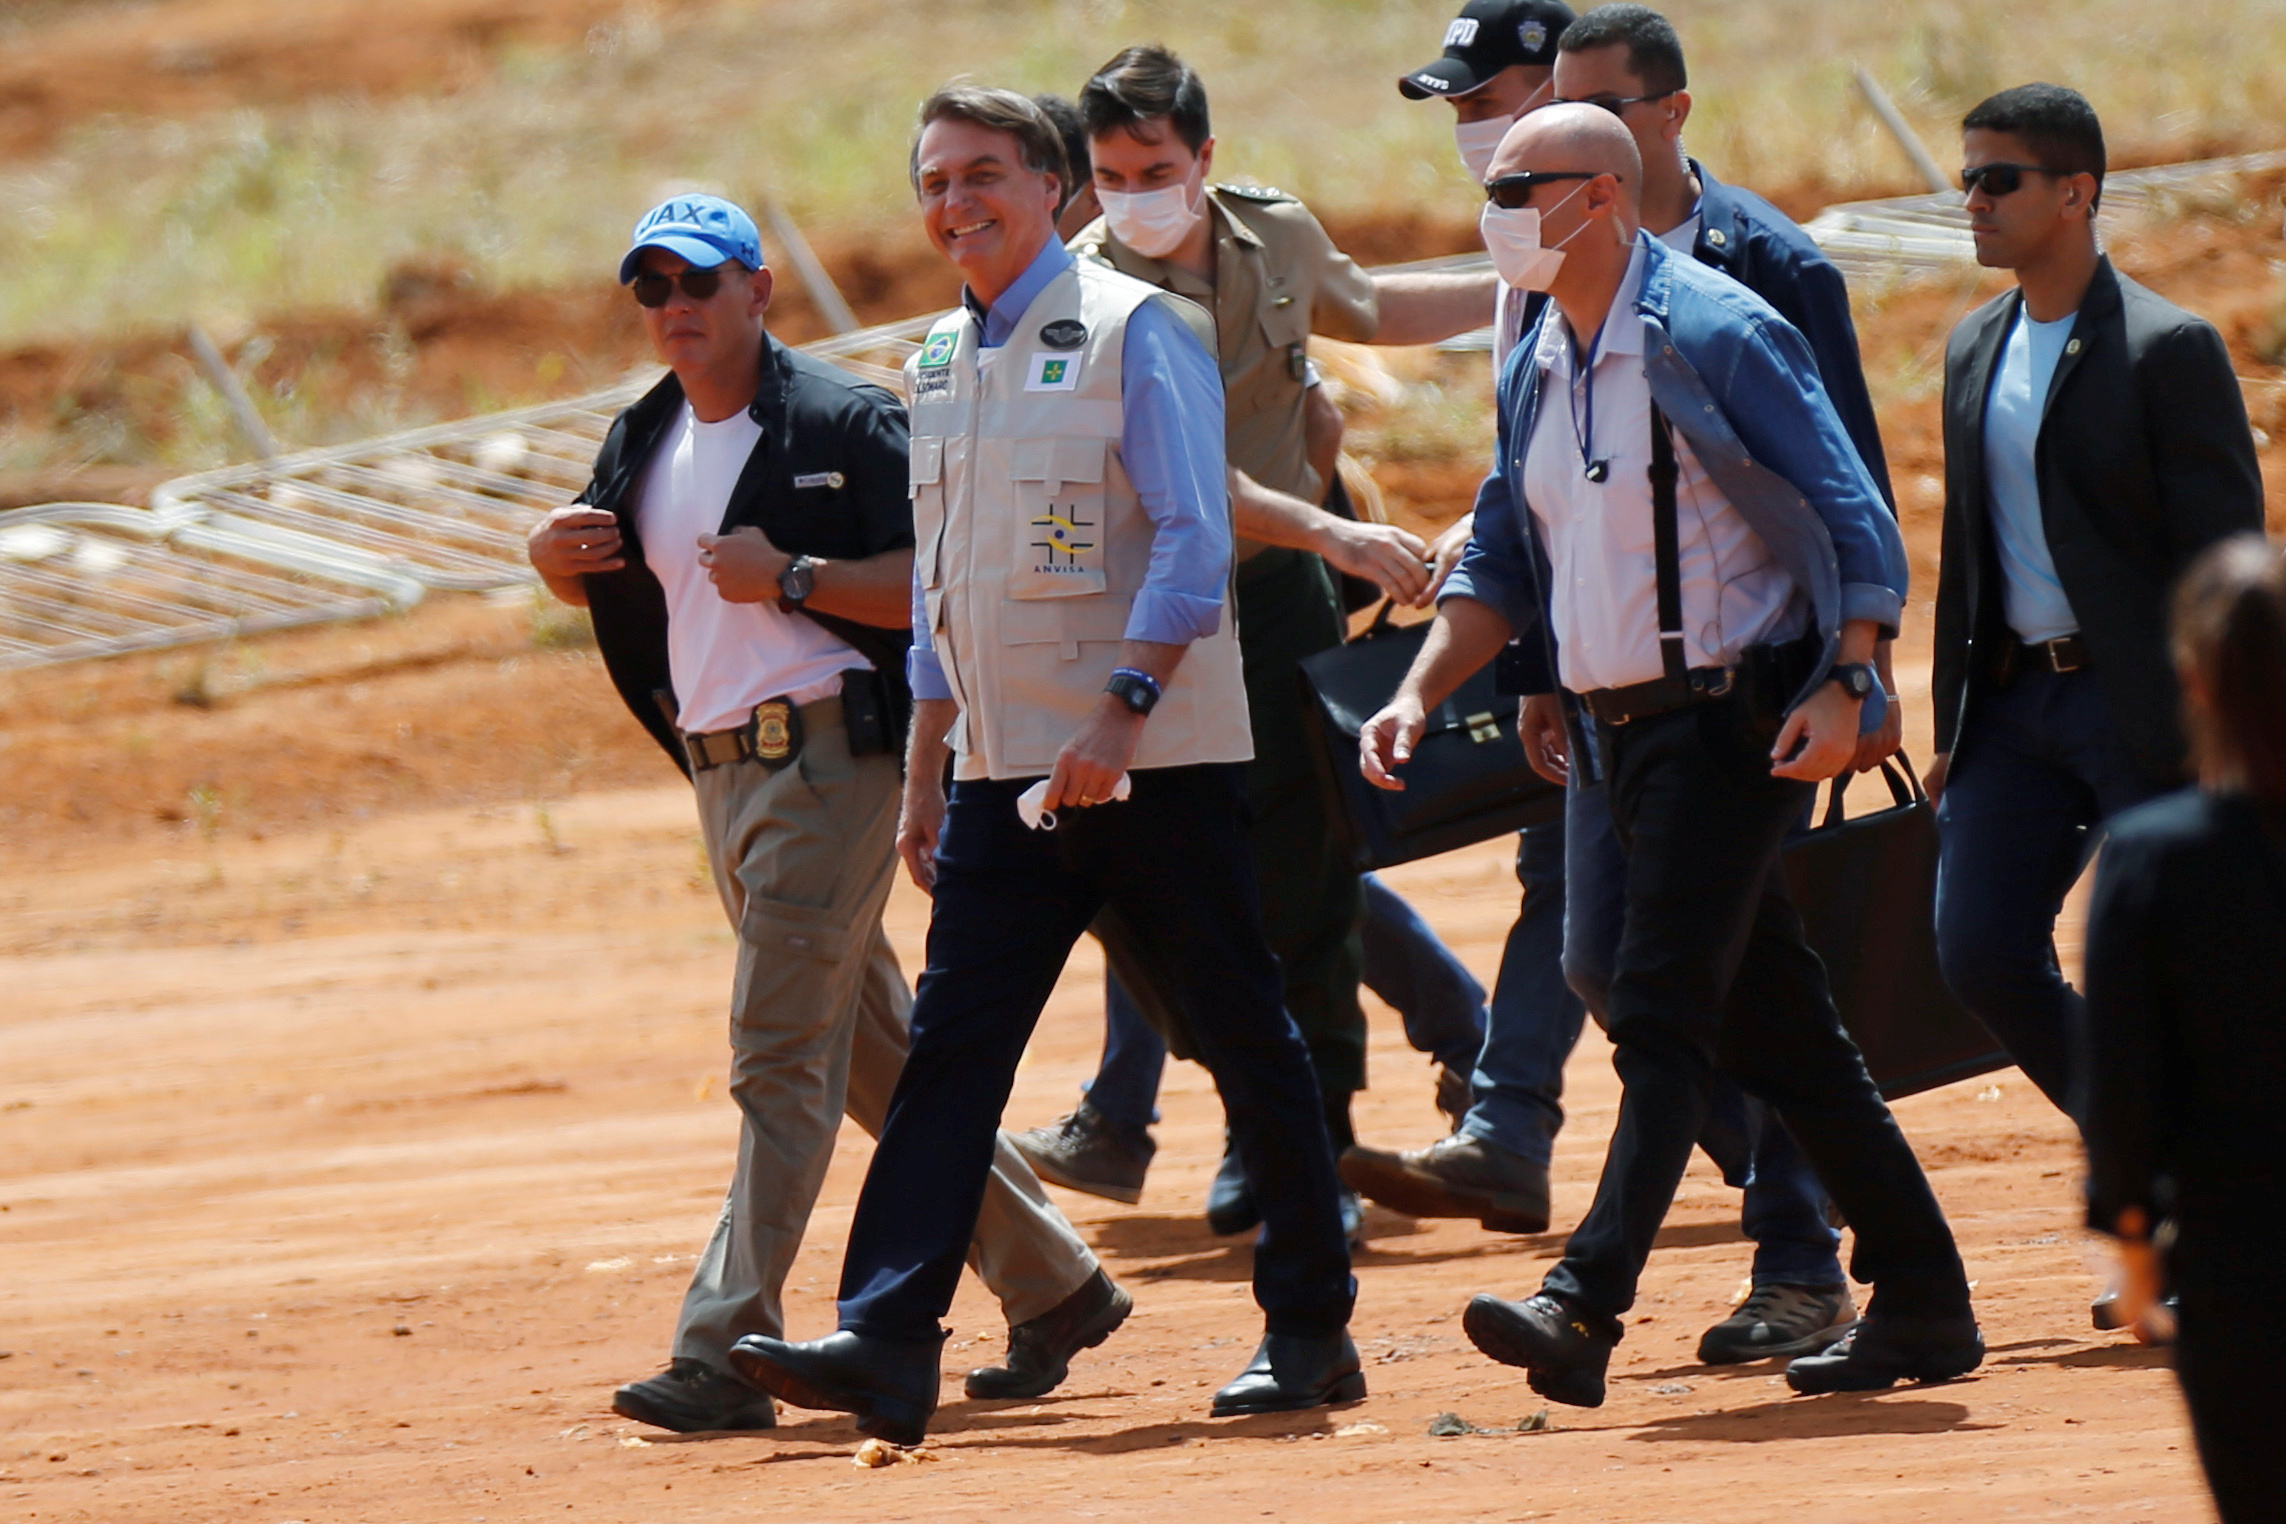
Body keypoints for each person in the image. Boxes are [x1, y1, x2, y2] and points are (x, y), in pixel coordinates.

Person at [726, 87, 1361, 1444]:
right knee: (955, 1057)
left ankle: (1308, 1330)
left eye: (985, 176)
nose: (955, 203)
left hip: (1152, 764)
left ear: (1056, 188)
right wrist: (923, 770)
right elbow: (950, 591)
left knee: (1244, 1037)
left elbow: (1195, 542)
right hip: (1002, 778)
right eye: (935, 181)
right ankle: (888, 1339)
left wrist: (1122, 712)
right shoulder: (940, 365)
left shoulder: (1143, 333)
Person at [1360, 104, 1981, 1407]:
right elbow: (1502, 555)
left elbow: (1851, 511)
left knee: (1653, 1014)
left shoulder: (1712, 329)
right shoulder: (1535, 352)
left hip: (1722, 722)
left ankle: (1584, 1305)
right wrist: (1420, 692)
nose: (1493, 208)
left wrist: (1852, 672)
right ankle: (1922, 1296)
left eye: (1518, 187)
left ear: (1595, 196)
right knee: (1784, 1034)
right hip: (1608, 736)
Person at [525, 194, 1122, 1434]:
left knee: (775, 1059)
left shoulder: (844, 425)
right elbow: (645, 602)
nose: (675, 309)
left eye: (697, 284)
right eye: (651, 291)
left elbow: (947, 583)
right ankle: (1052, 1281)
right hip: (722, 776)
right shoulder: (641, 439)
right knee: (868, 1055)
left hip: (829, 769)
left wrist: (795, 578)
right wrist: (553, 560)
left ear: (759, 291)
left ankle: (718, 1343)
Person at [1007, 44, 1499, 1237]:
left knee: (1311, 876)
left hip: (1279, 605)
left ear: (1205, 158)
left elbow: (1371, 311)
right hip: (1153, 619)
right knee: (1168, 888)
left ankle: (1311, 1144)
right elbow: (1189, 479)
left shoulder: (1272, 237)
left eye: (1156, 167)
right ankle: (1252, 1111)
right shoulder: (1072, 304)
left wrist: (1525, 279)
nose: (1134, 193)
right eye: (1112, 174)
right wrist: (1331, 524)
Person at [1931, 83, 2264, 1152]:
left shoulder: (2170, 348)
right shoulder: (1972, 347)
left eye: (1998, 179)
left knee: (2174, 961)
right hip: (2014, 711)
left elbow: (2221, 564)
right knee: (1979, 951)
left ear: (2076, 192)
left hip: (2140, 710)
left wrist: (2233, 728)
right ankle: (2155, 1161)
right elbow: (1965, 555)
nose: (1972, 199)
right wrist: (1953, 727)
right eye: (1967, 177)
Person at [2082, 535, 2286, 1524]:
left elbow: (2123, 1085)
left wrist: (2129, 1240)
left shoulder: (2154, 861)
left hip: (2241, 1271)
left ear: (2197, 684)